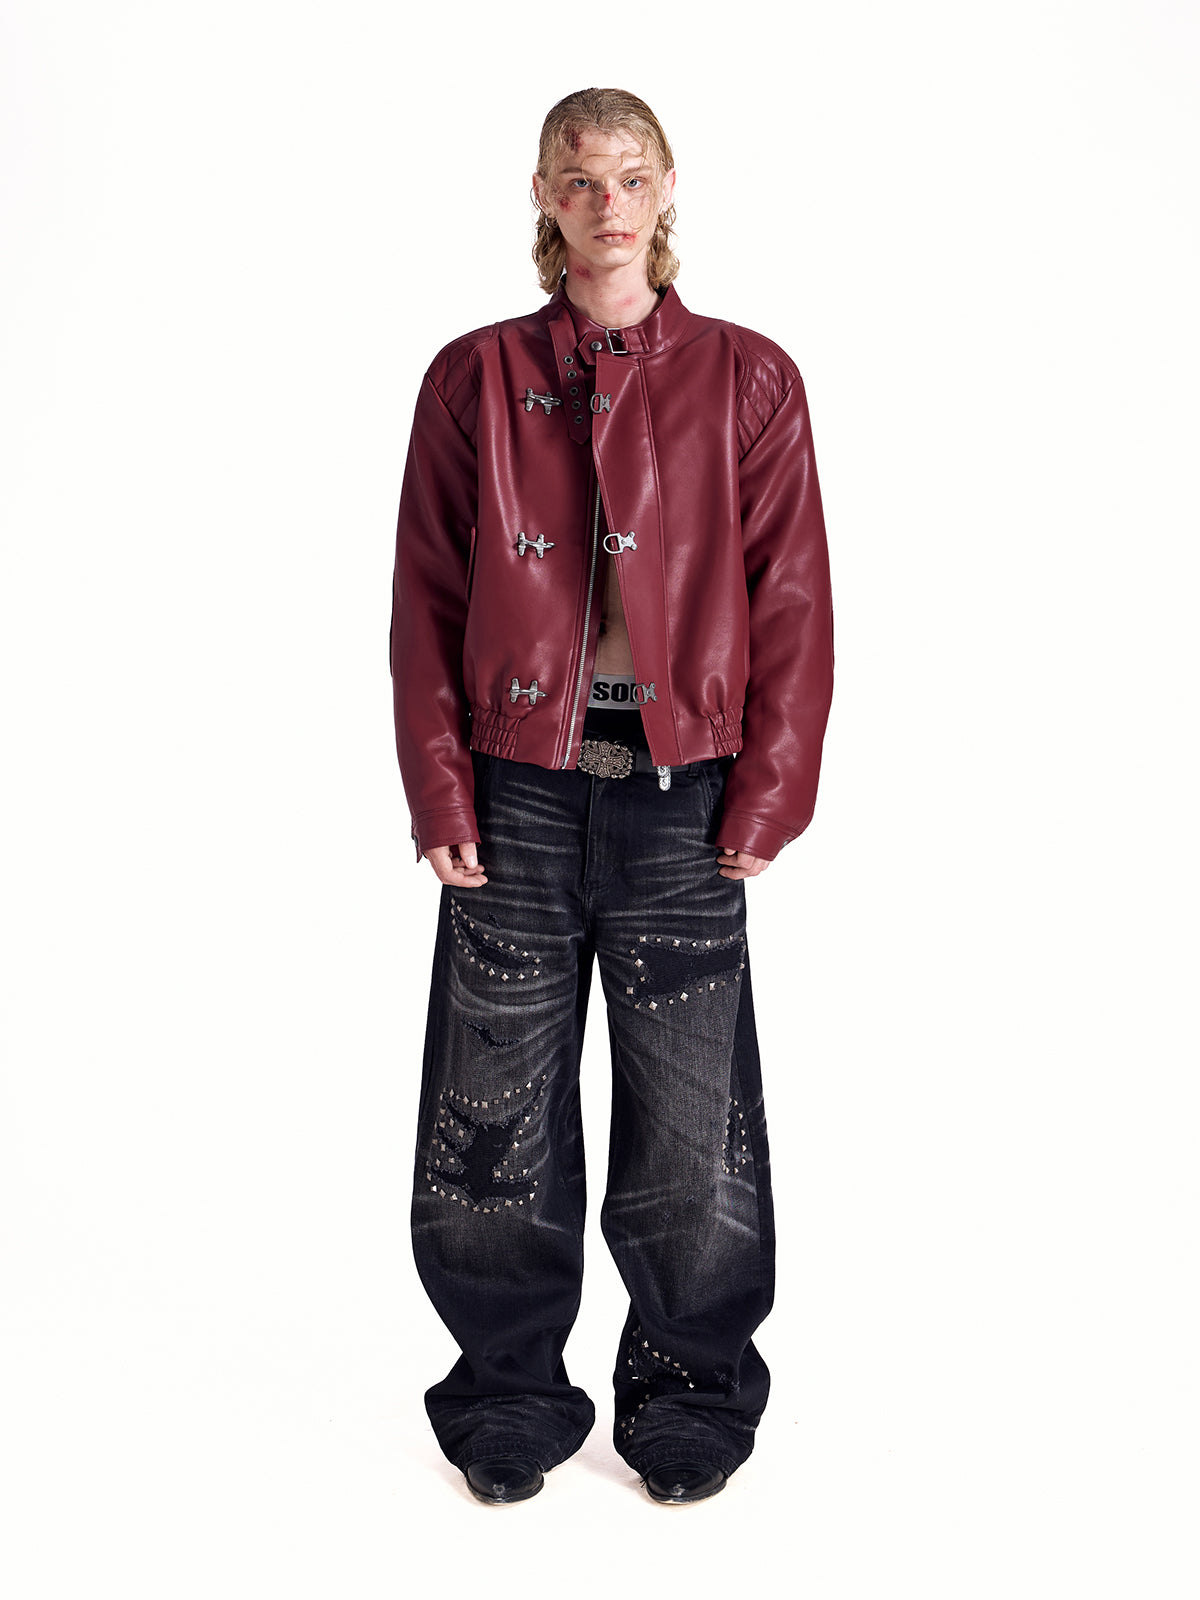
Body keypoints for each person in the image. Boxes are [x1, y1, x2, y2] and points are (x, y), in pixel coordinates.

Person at [390, 87, 833, 1505]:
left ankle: (692, 1387)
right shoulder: (471, 378)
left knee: (694, 1120)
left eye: (632, 177)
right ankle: (507, 1390)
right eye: (581, 179)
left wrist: (769, 795)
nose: (609, 203)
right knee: (492, 1112)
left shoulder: (749, 378)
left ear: (669, 187)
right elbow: (427, 596)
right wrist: (438, 784)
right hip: (514, 788)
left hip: (684, 789)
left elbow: (794, 596)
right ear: (543, 192)